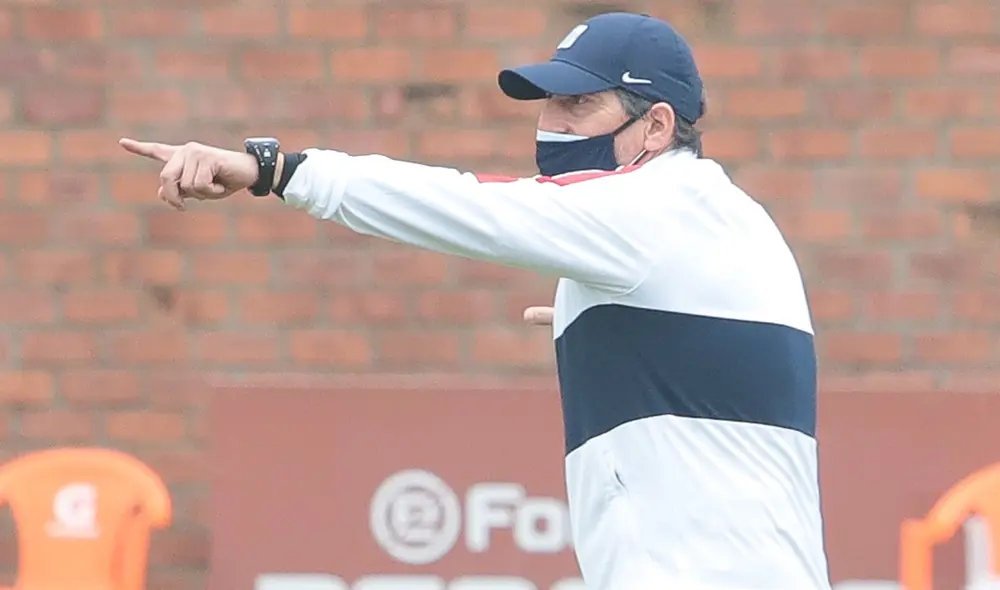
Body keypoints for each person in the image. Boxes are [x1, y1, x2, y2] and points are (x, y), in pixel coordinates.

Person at [120, 11, 831, 590]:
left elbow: (466, 206)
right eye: (549, 101)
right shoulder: (714, 217)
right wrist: (622, 334)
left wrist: (277, 170)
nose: (552, 123)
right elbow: (726, 348)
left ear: (657, 127)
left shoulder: (651, 209)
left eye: (579, 104)